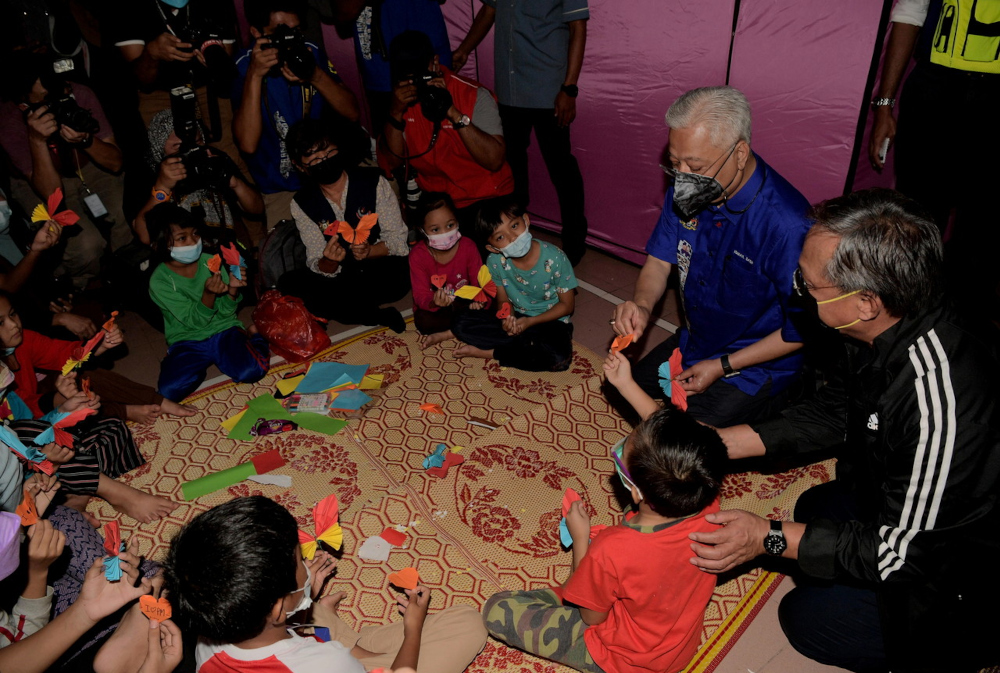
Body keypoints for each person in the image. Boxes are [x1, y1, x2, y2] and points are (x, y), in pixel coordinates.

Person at [690, 189, 1000, 673]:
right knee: (813, 507)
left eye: (808, 284)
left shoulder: (940, 404)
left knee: (807, 618)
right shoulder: (889, 315)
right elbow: (839, 410)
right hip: (904, 496)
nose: (797, 289)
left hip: (957, 568)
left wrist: (765, 538)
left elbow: (902, 554)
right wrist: (715, 444)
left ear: (865, 302)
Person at [484, 351, 724, 673]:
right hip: (675, 650)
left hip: (622, 658)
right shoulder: (707, 502)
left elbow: (590, 617)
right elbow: (678, 442)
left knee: (497, 610)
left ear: (637, 489)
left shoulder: (613, 547)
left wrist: (582, 540)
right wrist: (625, 385)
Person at [611, 86, 811, 427]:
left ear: (739, 153)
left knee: (684, 440)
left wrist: (724, 366)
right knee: (621, 389)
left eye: (696, 165)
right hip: (699, 339)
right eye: (675, 163)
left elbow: (803, 329)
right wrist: (642, 305)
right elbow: (660, 261)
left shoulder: (788, 225)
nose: (684, 176)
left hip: (756, 362)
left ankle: (788, 397)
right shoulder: (688, 188)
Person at [162, 495, 488, 672]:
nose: (307, 562)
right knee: (468, 623)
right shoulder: (328, 663)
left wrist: (305, 598)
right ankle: (337, 630)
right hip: (329, 664)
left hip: (301, 644)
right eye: (299, 561)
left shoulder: (207, 641)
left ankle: (328, 624)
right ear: (279, 606)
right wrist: (412, 629)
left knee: (319, 621)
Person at [868, 0, 1000, 322]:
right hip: (935, 89)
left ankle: (966, 336)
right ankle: (903, 326)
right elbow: (910, 13)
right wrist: (884, 106)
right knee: (915, 223)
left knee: (983, 234)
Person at [453, 0, 590, 265]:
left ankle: (574, 242)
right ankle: (514, 238)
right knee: (511, 169)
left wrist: (569, 88)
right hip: (509, 88)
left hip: (549, 91)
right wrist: (463, 50)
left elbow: (578, 28)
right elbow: (489, 10)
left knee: (561, 167)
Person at [0, 51, 133, 289]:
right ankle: (78, 287)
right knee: (86, 245)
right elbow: (51, 194)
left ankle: (130, 271)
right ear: (23, 102)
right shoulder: (10, 121)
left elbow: (115, 163)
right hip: (38, 181)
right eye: (45, 98)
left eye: (60, 91)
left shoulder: (78, 94)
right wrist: (37, 141)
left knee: (126, 215)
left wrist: (86, 140)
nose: (59, 100)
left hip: (87, 166)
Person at [233, 0, 361, 228]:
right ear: (256, 33)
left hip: (327, 174)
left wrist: (315, 75)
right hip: (280, 189)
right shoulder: (243, 66)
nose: (289, 42)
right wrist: (255, 75)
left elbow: (352, 112)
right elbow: (247, 144)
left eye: (295, 31)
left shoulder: (310, 50)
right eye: (280, 34)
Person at [278, 118, 410, 332]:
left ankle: (351, 309)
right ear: (300, 166)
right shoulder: (302, 203)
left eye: (329, 154)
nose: (324, 161)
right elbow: (315, 259)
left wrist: (370, 251)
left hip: (380, 268)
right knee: (289, 283)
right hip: (342, 276)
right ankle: (375, 314)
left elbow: (397, 239)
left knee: (399, 272)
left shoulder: (373, 182)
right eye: (314, 160)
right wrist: (328, 262)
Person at [377, 30, 514, 229]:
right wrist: (395, 113)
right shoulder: (400, 99)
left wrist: (452, 112)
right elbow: (393, 162)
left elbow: (494, 161)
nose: (412, 81)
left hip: (485, 195)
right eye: (406, 74)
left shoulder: (472, 94)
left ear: (435, 62)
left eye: (418, 72)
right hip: (439, 200)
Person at [146, 203, 269, 402]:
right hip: (186, 338)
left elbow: (227, 314)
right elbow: (194, 322)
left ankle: (254, 335)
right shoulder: (159, 281)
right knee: (168, 392)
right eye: (182, 238)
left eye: (195, 234)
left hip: (223, 329)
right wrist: (208, 294)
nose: (194, 242)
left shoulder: (211, 261)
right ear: (159, 244)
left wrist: (232, 289)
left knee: (253, 371)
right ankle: (194, 364)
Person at [110, 0, 246, 172]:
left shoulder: (216, 4)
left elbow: (226, 61)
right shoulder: (127, 7)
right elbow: (140, 79)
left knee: (230, 157)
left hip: (208, 88)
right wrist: (152, 53)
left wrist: (214, 55)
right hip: (158, 93)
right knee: (172, 161)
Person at [451, 196, 577, 371]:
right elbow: (503, 300)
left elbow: (567, 306)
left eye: (515, 226)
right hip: (518, 317)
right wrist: (507, 319)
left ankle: (493, 352)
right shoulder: (495, 261)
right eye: (501, 237)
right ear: (492, 248)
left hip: (551, 319)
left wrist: (530, 322)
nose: (512, 238)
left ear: (525, 220)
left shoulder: (555, 257)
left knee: (559, 360)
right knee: (460, 323)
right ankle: (524, 344)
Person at [135, 109, 264, 248]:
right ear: (159, 150)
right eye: (178, 147)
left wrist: (235, 183)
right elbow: (145, 236)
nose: (190, 152)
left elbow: (257, 209)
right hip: (182, 264)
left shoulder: (212, 158)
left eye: (196, 143)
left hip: (224, 256)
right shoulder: (149, 174)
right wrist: (163, 187)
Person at [342, 0, 452, 134]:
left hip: (428, 50)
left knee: (446, 134)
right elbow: (344, 12)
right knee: (391, 142)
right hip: (381, 64)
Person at [408, 192, 486, 348]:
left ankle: (452, 332)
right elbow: (421, 295)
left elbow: (480, 282)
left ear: (457, 221)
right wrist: (433, 302)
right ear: (421, 230)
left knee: (496, 303)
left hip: (465, 302)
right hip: (440, 309)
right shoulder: (418, 255)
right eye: (435, 229)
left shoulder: (468, 246)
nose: (445, 233)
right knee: (424, 321)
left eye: (450, 225)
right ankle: (464, 326)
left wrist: (479, 301)